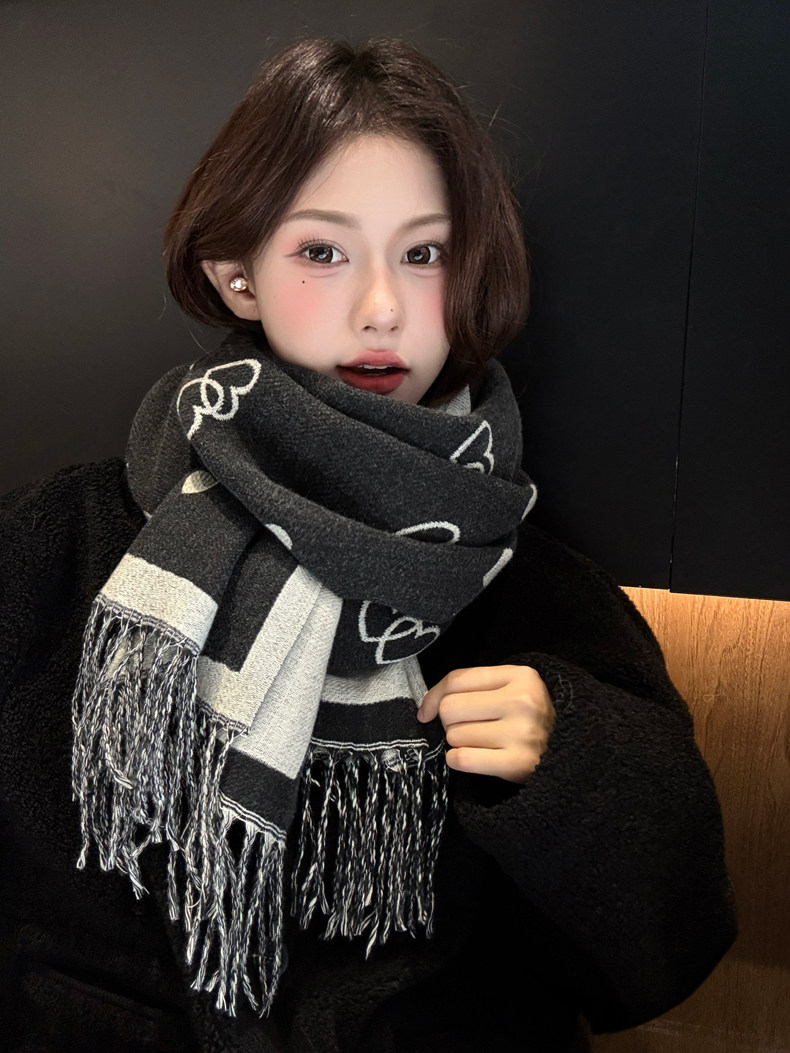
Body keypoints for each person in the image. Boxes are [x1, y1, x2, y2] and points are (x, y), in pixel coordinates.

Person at [0, 37, 735, 1053]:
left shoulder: (526, 587)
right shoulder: (57, 542)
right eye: (322, 251)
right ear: (237, 275)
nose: (383, 307)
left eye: (425, 254)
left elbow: (668, 956)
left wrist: (569, 760)